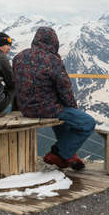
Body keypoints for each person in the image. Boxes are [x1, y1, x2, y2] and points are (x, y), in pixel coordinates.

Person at [12, 27, 96, 170]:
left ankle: (69, 155)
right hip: (47, 108)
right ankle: (59, 153)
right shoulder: (52, 60)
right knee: (87, 123)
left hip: (25, 109)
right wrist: (72, 108)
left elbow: (16, 82)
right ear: (54, 42)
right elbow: (65, 89)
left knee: (64, 121)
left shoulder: (18, 57)